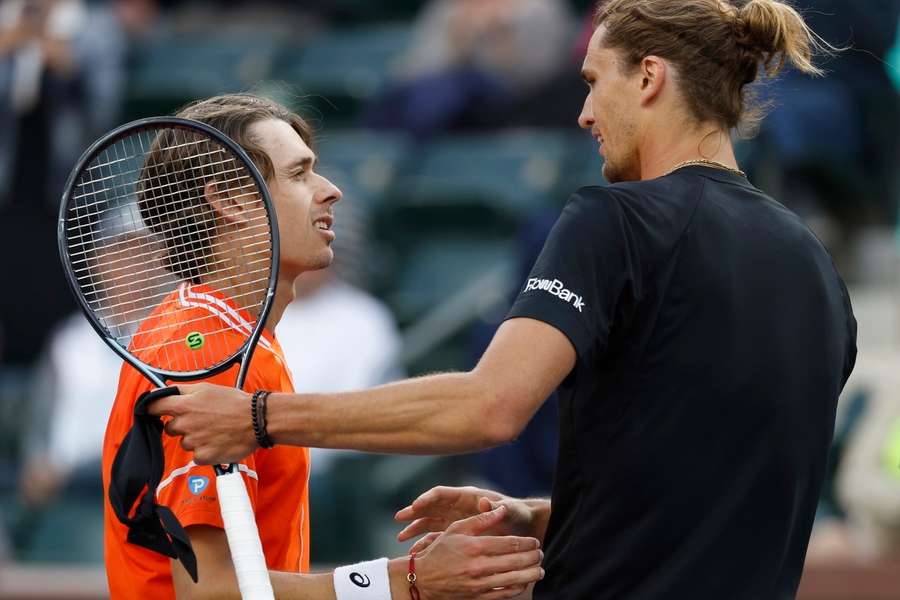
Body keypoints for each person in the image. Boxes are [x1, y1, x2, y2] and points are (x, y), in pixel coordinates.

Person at [151, 2, 858, 598]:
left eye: (592, 82)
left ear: (649, 78)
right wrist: (549, 516)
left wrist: (260, 417)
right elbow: (718, 492)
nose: (583, 113)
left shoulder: (615, 219)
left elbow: (488, 407)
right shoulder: (818, 272)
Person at [103, 94, 544, 600]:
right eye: (299, 174)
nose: (331, 191)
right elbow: (210, 592)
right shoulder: (206, 351)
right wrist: (409, 580)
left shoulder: (213, 333)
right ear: (230, 200)